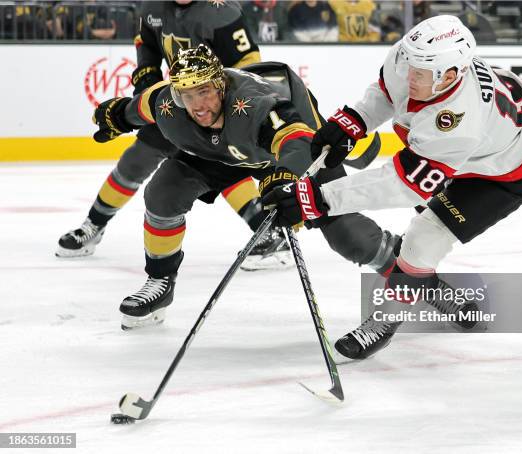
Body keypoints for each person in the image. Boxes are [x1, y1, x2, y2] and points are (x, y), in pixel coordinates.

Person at [263, 15, 522, 359]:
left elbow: (402, 185)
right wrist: (355, 120)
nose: (409, 75)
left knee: (424, 237)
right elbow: (387, 92)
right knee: (417, 257)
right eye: (409, 64)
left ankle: (385, 322)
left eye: (419, 73)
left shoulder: (457, 121)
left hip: (508, 169)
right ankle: (433, 289)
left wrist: (318, 199)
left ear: (451, 76)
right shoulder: (413, 58)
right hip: (477, 146)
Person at [91, 44, 399, 330]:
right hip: (223, 154)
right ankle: (160, 281)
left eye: (205, 91)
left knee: (348, 236)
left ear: (221, 85)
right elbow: (140, 107)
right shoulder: (168, 106)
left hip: (286, 152)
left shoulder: (255, 105)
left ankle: (408, 273)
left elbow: (297, 142)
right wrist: (119, 115)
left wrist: (285, 176)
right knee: (162, 194)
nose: (198, 105)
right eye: (188, 95)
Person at [56, 1, 284, 271]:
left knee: (219, 167)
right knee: (136, 160)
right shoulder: (153, 6)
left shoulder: (222, 11)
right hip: (178, 104)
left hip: (218, 110)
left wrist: (229, 113)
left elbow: (249, 67)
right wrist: (147, 79)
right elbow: (147, 43)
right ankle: (94, 224)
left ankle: (268, 231)